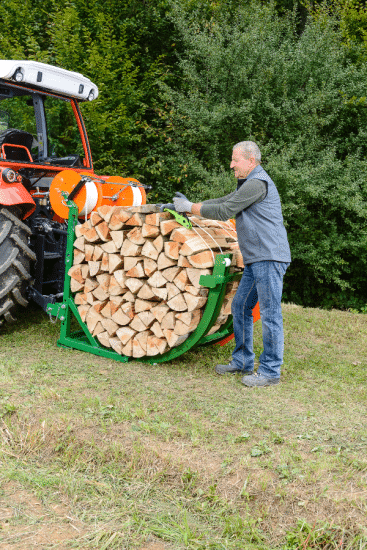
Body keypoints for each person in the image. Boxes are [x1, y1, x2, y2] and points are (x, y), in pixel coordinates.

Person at [173, 141, 291, 387]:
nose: (231, 164)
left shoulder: (258, 184)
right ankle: (242, 361)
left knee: (270, 314)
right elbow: (224, 199)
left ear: (251, 160)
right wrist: (191, 209)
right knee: (240, 306)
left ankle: (270, 371)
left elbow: (226, 209)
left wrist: (190, 207)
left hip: (269, 257)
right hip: (257, 258)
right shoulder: (248, 184)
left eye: (235, 160)